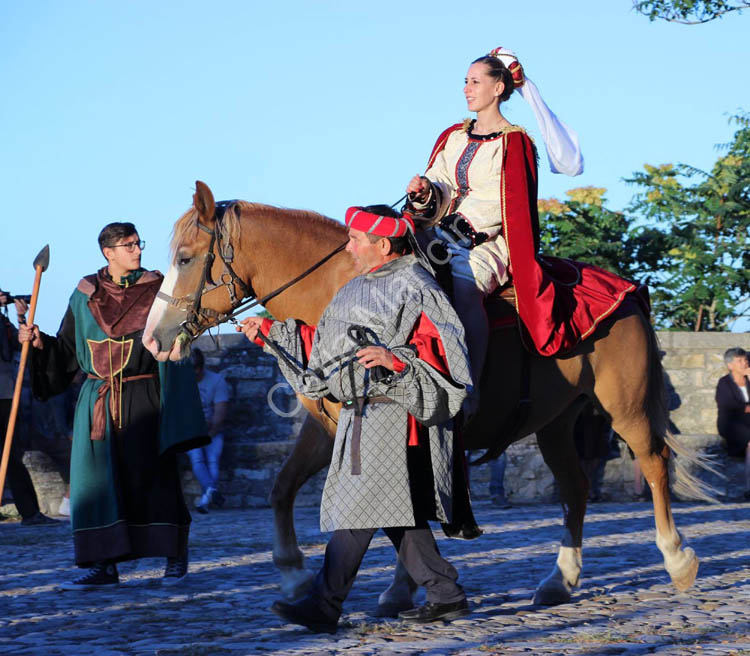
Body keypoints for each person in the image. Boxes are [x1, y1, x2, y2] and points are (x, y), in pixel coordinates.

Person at [238, 205, 475, 633]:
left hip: (394, 415)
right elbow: (330, 347)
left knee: (357, 512)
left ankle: (323, 605)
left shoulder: (416, 284)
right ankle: (445, 594)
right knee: (390, 512)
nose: (348, 246)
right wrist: (273, 333)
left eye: (356, 239)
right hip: (359, 415)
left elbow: (443, 345)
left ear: (383, 244)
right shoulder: (355, 287)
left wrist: (396, 360)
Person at [406, 47, 639, 406]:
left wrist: (460, 227)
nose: (466, 89)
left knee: (466, 291)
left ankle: (470, 386)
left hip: (489, 242)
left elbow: (506, 201)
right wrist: (425, 191)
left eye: (475, 81)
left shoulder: (516, 142)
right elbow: (442, 180)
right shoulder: (454, 136)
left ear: (498, 88)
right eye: (465, 82)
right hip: (439, 232)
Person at [18, 222, 207, 589]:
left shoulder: (158, 290)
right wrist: (39, 342)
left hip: (145, 395)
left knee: (155, 476)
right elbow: (69, 351)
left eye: (138, 243)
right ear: (108, 252)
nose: (137, 250)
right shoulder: (85, 294)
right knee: (99, 485)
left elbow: (178, 341)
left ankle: (173, 555)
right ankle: (104, 564)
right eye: (129, 245)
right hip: (98, 402)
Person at [0, 292, 59, 526]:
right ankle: (29, 511)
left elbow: (18, 343)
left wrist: (21, 318)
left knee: (12, 454)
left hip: (4, 394)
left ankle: (30, 511)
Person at [188, 347, 229, 513]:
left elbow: (220, 412)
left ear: (200, 367)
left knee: (213, 460)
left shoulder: (216, 381)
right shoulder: (181, 382)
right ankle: (212, 492)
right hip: (190, 431)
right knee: (197, 459)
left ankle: (206, 498)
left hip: (213, 429)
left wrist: (210, 433)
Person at [715, 347, 750, 500]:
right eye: (740, 360)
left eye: (745, 360)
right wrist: (746, 407)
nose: (745, 363)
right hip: (731, 423)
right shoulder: (724, 383)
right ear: (730, 365)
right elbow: (726, 404)